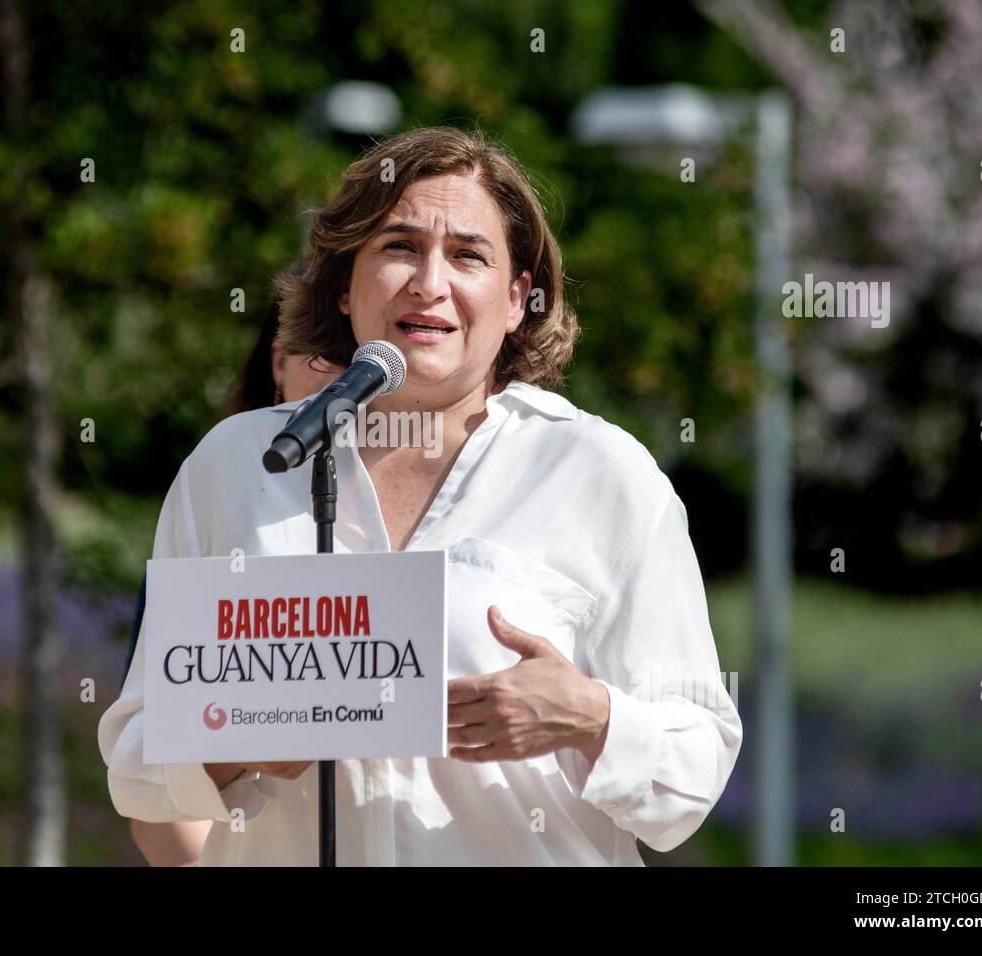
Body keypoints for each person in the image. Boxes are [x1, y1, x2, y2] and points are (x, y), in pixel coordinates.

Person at [99, 125, 742, 866]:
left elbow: (696, 770)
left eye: (468, 255)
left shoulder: (600, 473)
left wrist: (586, 716)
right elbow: (137, 769)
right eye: (399, 247)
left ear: (514, 300)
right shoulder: (237, 465)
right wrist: (238, 741)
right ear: (345, 286)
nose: (430, 282)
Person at [123, 296, 339, 866]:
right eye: (329, 354)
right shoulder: (215, 505)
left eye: (368, 358)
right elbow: (155, 807)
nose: (351, 383)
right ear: (278, 362)